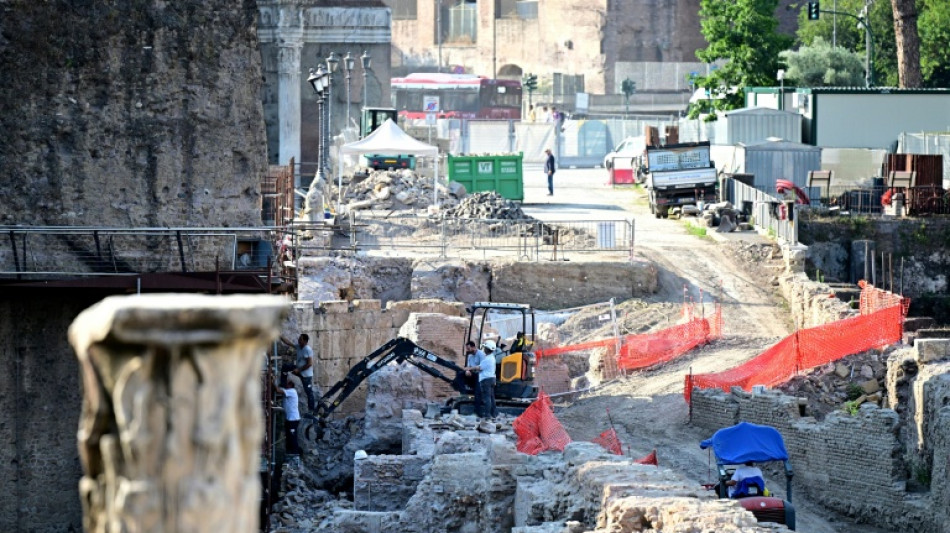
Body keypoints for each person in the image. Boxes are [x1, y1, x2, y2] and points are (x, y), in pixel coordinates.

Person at [280, 333, 315, 414]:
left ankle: (312, 411)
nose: (299, 340)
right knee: (285, 367)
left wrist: (298, 370)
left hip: (306, 375)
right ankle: (283, 384)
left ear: (305, 341)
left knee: (309, 393)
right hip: (298, 369)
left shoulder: (307, 349)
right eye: (299, 339)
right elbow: (288, 343)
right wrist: (280, 336)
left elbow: (309, 363)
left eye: (301, 339)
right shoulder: (299, 346)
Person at [275, 375, 302, 457]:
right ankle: (289, 452)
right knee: (289, 436)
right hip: (289, 419)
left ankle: (295, 453)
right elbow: (279, 391)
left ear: (290, 384)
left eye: (287, 383)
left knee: (292, 436)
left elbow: (278, 390)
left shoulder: (292, 391)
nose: (285, 385)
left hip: (293, 419)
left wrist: (273, 381)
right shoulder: (287, 390)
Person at [478, 340, 499, 419]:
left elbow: (479, 368)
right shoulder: (492, 357)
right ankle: (494, 414)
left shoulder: (487, 359)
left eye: (484, 348)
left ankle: (487, 415)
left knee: (487, 398)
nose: (483, 349)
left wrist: (469, 368)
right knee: (491, 397)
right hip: (492, 379)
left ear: (487, 349)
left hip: (486, 380)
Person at [463, 340, 485, 415]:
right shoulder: (470, 356)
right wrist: (467, 371)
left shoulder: (481, 354)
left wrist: (470, 369)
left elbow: (482, 367)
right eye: (467, 349)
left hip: (480, 375)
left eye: (469, 349)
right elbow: (469, 366)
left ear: (474, 347)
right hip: (473, 374)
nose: (468, 350)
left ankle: (478, 411)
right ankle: (463, 393)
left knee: (478, 392)